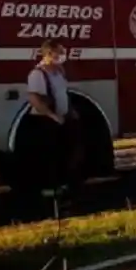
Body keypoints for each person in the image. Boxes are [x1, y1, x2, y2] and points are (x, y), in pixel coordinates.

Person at [23, 39, 84, 199]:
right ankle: (49, 189)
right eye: (60, 52)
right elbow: (35, 99)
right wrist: (52, 116)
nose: (63, 55)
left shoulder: (59, 72)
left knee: (64, 153)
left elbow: (63, 94)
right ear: (49, 53)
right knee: (48, 155)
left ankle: (63, 184)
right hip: (45, 121)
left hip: (61, 119)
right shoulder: (37, 74)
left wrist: (70, 111)